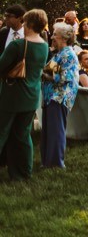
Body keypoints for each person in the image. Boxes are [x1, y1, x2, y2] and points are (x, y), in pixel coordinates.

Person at [0, 9, 50, 179]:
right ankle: (22, 172)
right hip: (32, 95)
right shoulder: (44, 46)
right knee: (22, 135)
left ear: (28, 24)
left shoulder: (18, 45)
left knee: (2, 132)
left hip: (12, 95)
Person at [41, 22, 80, 168]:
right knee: (49, 131)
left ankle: (56, 163)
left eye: (55, 35)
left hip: (59, 97)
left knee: (56, 131)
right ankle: (47, 161)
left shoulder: (68, 54)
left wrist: (44, 75)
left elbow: (65, 77)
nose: (52, 37)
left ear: (64, 38)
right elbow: (52, 72)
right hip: (51, 97)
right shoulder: (59, 54)